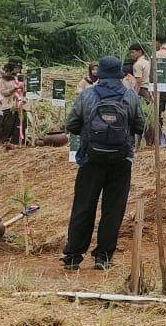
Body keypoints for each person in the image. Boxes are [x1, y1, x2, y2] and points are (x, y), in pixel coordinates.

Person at [61, 56, 145, 270]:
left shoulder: (87, 95)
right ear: (119, 74)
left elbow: (71, 124)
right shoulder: (130, 96)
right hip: (121, 160)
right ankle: (103, 257)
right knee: (113, 209)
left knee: (83, 206)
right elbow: (140, 126)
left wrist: (91, 132)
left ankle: (73, 256)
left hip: (91, 159)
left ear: (99, 74)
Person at [0, 58, 26, 146]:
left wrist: (23, 88)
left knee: (16, 126)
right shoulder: (3, 78)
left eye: (19, 67)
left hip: (18, 105)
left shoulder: (20, 78)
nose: (18, 69)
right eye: (16, 67)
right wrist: (13, 89)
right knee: (1, 126)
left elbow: (24, 91)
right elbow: (3, 92)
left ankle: (14, 144)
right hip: (5, 105)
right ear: (11, 67)